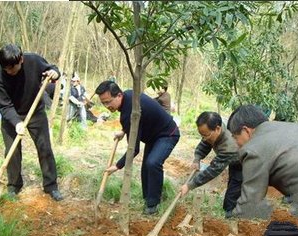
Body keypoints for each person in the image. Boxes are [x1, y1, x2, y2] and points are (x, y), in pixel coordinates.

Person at [227, 104, 298, 220]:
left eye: (235, 137)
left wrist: (230, 220)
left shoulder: (254, 148)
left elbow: (249, 207)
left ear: (246, 131)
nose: (236, 144)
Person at [95, 81, 180, 214]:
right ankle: (148, 200)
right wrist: (124, 130)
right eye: (103, 103)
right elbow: (136, 122)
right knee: (146, 167)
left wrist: (117, 166)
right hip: (153, 136)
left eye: (108, 102)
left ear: (118, 95)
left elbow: (134, 149)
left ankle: (153, 205)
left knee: (153, 163)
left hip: (167, 134)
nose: (106, 106)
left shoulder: (129, 110)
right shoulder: (129, 96)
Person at [0, 43, 64, 201]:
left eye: (13, 68)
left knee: (45, 148)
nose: (9, 72)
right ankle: (14, 186)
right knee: (12, 153)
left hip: (35, 112)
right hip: (11, 115)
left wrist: (55, 73)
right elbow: (4, 105)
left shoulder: (34, 61)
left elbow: (53, 69)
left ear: (21, 60)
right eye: (6, 69)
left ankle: (51, 186)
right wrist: (17, 122)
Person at [179, 111, 242, 219]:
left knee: (234, 192)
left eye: (206, 135)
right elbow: (205, 143)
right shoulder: (215, 128)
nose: (204, 138)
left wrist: (190, 185)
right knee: (233, 188)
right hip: (234, 160)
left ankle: (233, 219)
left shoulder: (229, 146)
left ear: (218, 129)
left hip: (246, 162)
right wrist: (197, 159)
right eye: (201, 135)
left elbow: (213, 170)